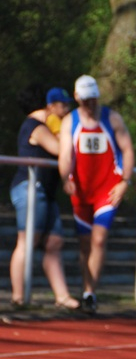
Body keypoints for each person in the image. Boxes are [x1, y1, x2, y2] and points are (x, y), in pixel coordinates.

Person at [58, 74, 135, 314]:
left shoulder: (112, 118)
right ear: (77, 98)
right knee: (84, 244)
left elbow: (127, 149)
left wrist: (125, 181)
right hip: (82, 192)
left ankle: (90, 293)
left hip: (107, 190)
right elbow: (65, 154)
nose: (90, 104)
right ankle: (86, 288)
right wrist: (65, 178)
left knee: (99, 239)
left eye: (93, 99)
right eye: (85, 100)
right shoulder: (69, 122)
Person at [9, 87, 80, 311]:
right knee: (27, 241)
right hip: (30, 188)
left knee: (54, 242)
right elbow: (59, 149)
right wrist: (61, 130)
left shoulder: (46, 125)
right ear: (49, 106)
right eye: (63, 106)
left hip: (46, 192)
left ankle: (62, 296)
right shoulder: (35, 126)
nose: (66, 110)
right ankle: (18, 297)